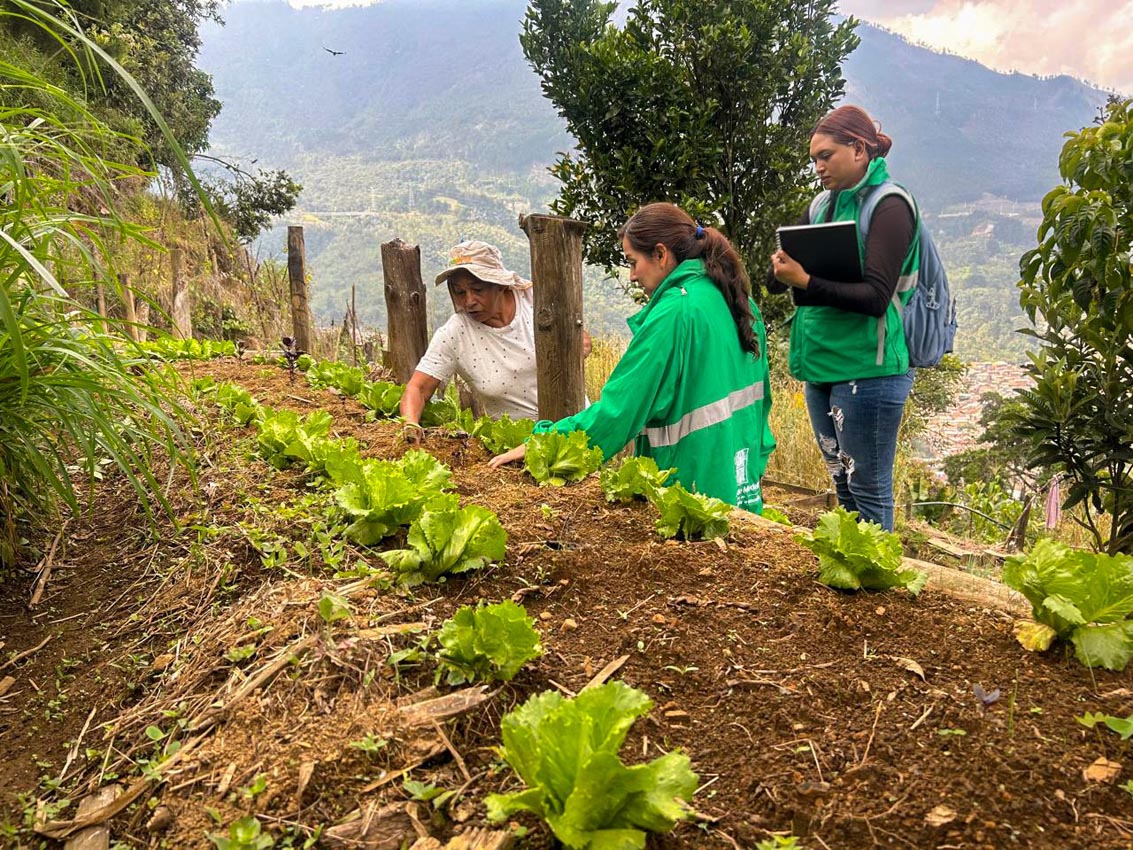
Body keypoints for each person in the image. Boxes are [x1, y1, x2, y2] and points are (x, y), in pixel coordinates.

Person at [489, 203, 775, 514]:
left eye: (633, 261)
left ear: (661, 254)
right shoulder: (739, 301)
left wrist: (545, 444)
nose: (632, 275)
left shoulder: (674, 313)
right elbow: (762, 403)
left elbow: (618, 412)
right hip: (741, 491)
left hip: (691, 500)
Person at [769, 104, 919, 531]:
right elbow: (778, 279)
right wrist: (782, 271)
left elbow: (875, 297)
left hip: (868, 371)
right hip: (821, 365)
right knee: (842, 481)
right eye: (814, 158)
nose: (818, 167)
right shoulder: (821, 206)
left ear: (859, 149)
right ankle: (853, 571)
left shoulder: (890, 206)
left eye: (825, 156)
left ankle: (876, 578)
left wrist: (805, 279)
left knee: (868, 487)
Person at [400, 240, 540, 436]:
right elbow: (418, 388)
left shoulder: (534, 300)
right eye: (460, 292)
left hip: (574, 429)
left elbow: (579, 340)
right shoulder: (456, 332)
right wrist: (410, 426)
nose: (469, 301)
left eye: (478, 290)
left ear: (500, 285)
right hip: (513, 445)